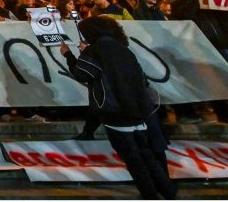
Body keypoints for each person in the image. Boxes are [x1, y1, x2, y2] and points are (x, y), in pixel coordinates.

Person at [60, 17, 176, 200]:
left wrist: (69, 55)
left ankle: (149, 194)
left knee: (132, 158)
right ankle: (167, 191)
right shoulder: (123, 49)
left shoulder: (95, 50)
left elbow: (82, 73)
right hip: (138, 109)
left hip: (115, 111)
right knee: (146, 154)